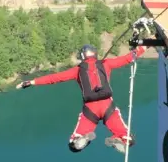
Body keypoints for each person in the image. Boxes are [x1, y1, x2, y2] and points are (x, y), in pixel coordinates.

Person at [17, 43, 145, 154]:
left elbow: (54, 78)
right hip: (108, 106)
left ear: (82, 56)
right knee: (128, 138)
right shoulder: (106, 64)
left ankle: (80, 139)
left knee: (73, 144)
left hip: (90, 110)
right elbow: (129, 58)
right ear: (95, 54)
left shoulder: (78, 70)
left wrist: (31, 82)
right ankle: (120, 138)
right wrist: (145, 46)